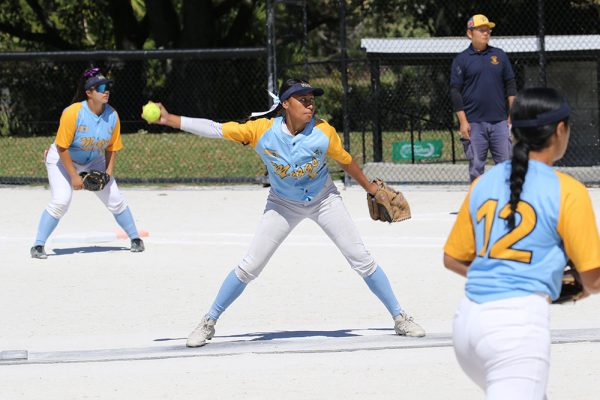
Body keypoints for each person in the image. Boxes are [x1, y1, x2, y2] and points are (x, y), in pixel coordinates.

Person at [147, 78, 426, 347]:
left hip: (323, 199)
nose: (310, 105)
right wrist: (170, 119)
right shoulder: (260, 131)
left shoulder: (323, 132)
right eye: (302, 100)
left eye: (311, 100)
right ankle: (209, 321)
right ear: (284, 104)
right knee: (250, 266)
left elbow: (347, 161)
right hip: (283, 203)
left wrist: (371, 188)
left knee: (361, 259)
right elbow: (216, 129)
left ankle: (400, 317)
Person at [443, 87, 600, 399]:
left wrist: (503, 275)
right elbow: (592, 279)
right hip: (515, 330)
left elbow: (453, 258)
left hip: (468, 324)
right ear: (559, 129)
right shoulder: (568, 190)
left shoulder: (483, 182)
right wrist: (551, 282)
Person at [30, 67, 145, 259]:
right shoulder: (73, 113)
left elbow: (112, 147)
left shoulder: (112, 115)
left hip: (94, 161)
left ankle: (135, 239)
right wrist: (74, 176)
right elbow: (62, 148)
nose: (105, 90)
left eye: (107, 86)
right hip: (61, 160)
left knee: (115, 199)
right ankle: (38, 245)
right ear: (89, 93)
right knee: (61, 201)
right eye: (100, 87)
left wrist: (108, 172)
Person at [450, 14, 517, 182]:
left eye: (488, 30)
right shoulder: (461, 59)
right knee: (476, 168)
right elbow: (455, 92)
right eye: (481, 30)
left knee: (506, 166)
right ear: (470, 33)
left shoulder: (499, 55)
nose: (486, 33)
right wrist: (463, 121)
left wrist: (513, 113)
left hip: (500, 122)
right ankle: (477, 205)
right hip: (474, 123)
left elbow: (510, 85)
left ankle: (508, 204)